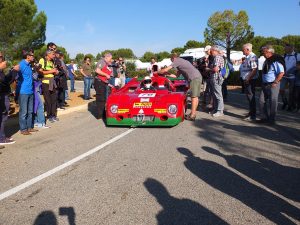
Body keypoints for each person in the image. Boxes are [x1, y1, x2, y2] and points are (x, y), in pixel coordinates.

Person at [159, 53, 202, 121]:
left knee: (194, 96)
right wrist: (167, 74)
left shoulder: (177, 61)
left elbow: (165, 69)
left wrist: (159, 71)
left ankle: (193, 115)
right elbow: (176, 76)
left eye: (171, 60)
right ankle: (192, 114)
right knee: (195, 96)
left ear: (173, 58)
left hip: (194, 78)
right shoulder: (181, 62)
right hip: (196, 77)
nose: (172, 62)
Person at [258, 45, 285, 124]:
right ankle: (264, 117)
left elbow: (281, 72)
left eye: (264, 52)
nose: (263, 54)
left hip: (273, 84)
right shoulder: (267, 60)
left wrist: (276, 82)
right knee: (261, 100)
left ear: (269, 52)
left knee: (273, 102)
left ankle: (271, 120)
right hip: (265, 84)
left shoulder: (275, 61)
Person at [18, 49, 38, 135]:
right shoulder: (21, 64)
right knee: (24, 112)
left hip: (30, 91)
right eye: (32, 55)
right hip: (23, 91)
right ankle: (23, 129)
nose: (33, 57)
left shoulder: (29, 65)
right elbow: (16, 76)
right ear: (28, 56)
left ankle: (29, 127)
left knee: (30, 111)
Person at [0, 52, 17, 144]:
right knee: (2, 116)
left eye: (2, 57)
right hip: (1, 95)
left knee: (3, 116)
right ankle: (1, 138)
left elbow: (6, 81)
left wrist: (13, 71)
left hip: (4, 94)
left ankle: (2, 136)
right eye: (0, 57)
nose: (2, 59)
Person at [39, 49, 59, 123]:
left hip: (52, 82)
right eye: (53, 54)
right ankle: (49, 115)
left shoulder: (52, 62)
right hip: (45, 83)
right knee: (48, 100)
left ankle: (53, 115)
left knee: (54, 99)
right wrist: (52, 71)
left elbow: (53, 71)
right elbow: (40, 71)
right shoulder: (42, 60)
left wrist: (56, 72)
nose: (54, 55)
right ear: (48, 54)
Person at [241, 43, 259, 121]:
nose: (242, 51)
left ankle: (253, 115)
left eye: (243, 50)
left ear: (248, 49)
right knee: (249, 97)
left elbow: (254, 70)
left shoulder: (252, 57)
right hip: (247, 79)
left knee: (251, 97)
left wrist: (248, 78)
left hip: (250, 80)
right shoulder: (247, 57)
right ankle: (251, 112)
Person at [206, 46, 225, 117]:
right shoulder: (218, 57)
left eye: (211, 51)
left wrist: (208, 69)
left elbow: (216, 69)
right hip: (215, 78)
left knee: (218, 95)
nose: (210, 53)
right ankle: (216, 109)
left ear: (214, 51)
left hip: (216, 78)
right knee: (215, 95)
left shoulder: (217, 57)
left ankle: (220, 111)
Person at [280, 44, 300, 111]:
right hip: (284, 76)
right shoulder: (284, 55)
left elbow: (298, 66)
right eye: (285, 48)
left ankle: (290, 105)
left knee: (291, 92)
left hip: (293, 77)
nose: (284, 49)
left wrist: (294, 70)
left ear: (291, 48)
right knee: (281, 90)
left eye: (286, 48)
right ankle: (285, 102)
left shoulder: (297, 55)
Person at [94, 53, 113, 119]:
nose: (111, 60)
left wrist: (109, 83)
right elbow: (97, 70)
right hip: (99, 82)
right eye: (110, 58)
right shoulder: (101, 62)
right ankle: (99, 115)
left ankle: (103, 113)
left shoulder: (107, 64)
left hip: (104, 83)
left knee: (104, 98)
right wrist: (106, 75)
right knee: (100, 99)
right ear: (107, 57)